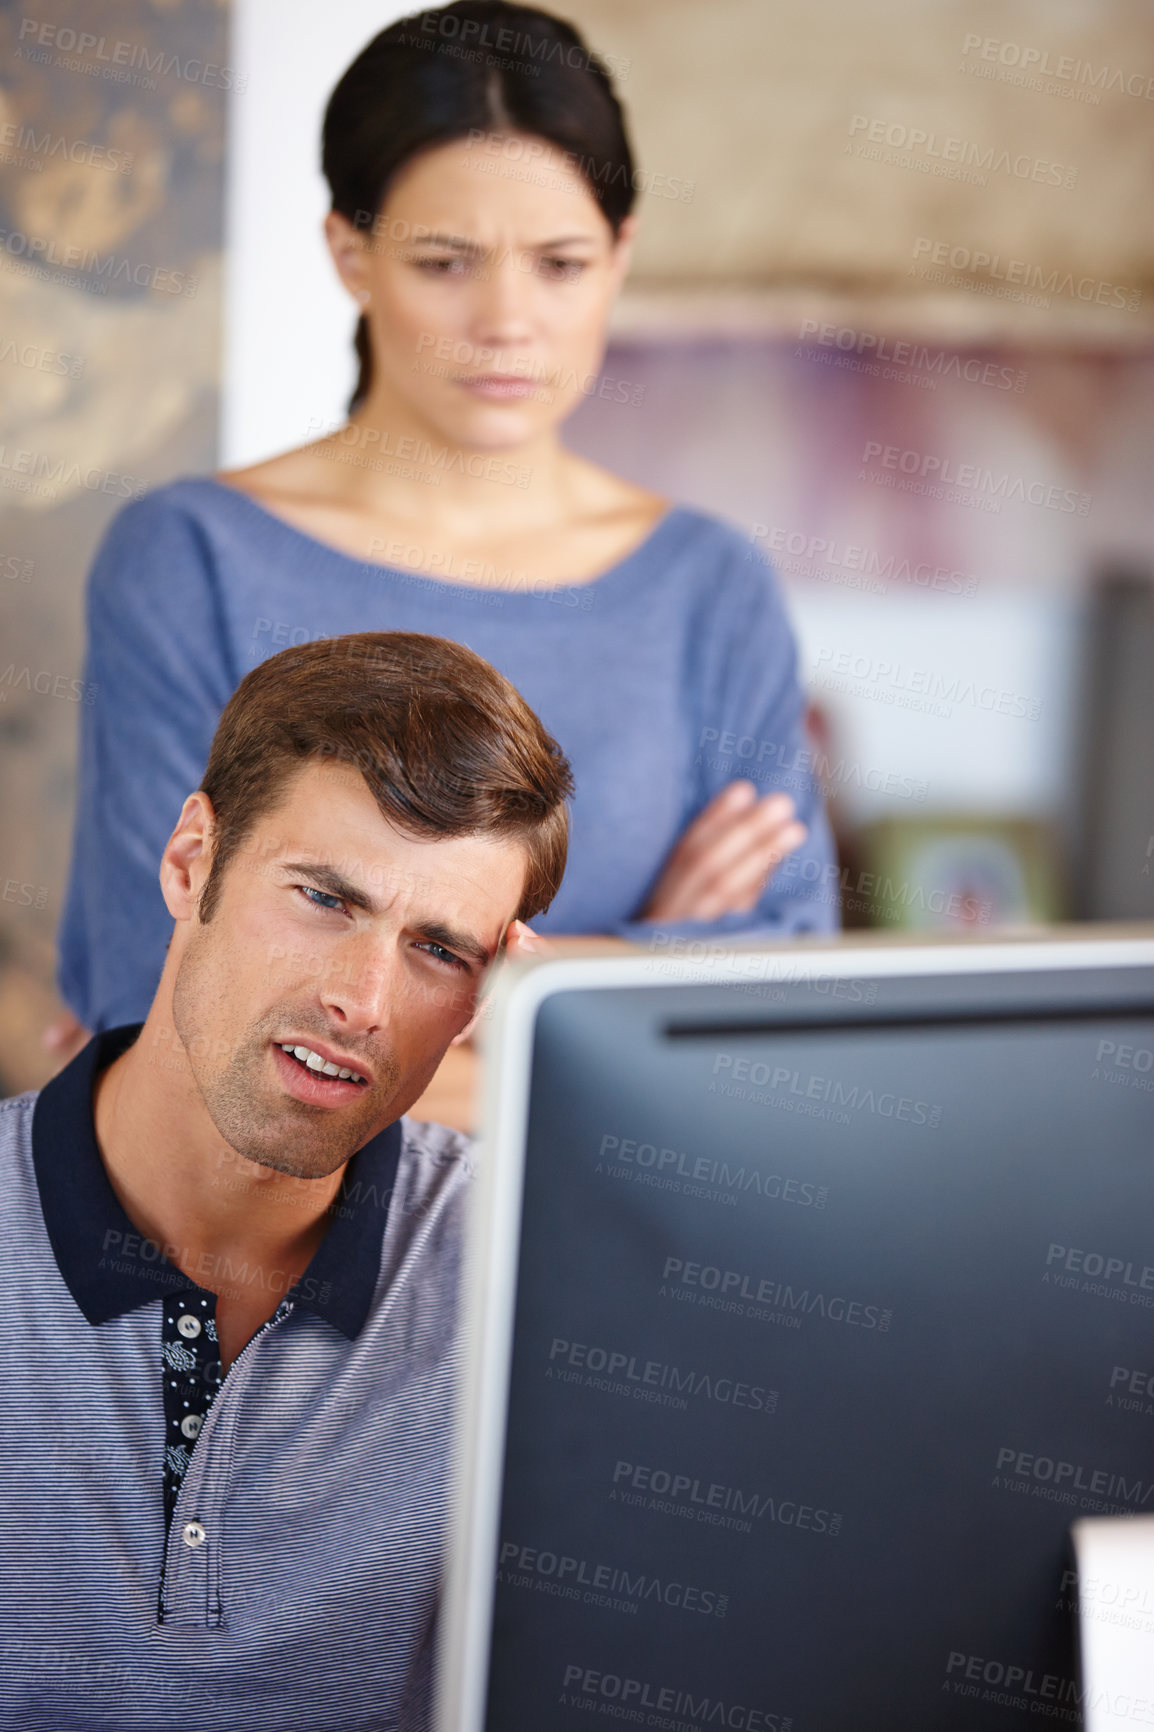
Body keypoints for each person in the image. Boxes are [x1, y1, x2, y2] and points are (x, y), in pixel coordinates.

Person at [53, 0, 837, 1057]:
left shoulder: (706, 585)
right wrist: (632, 972)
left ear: (619, 254)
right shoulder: (192, 560)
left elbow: (788, 1009)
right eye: (444, 262)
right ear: (350, 255)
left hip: (634, 1218)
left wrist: (403, 1017)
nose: (507, 320)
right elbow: (155, 1022)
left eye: (559, 263)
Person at [1, 631, 570, 1728]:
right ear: (190, 861)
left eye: (438, 951)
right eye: (324, 897)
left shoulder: (530, 1266)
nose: (360, 999)